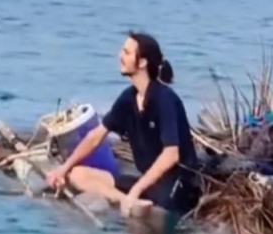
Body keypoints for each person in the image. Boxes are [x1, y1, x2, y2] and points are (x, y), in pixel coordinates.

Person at [46, 31, 199, 219]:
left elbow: (171, 155)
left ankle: (133, 201)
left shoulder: (165, 99)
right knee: (77, 174)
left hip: (176, 185)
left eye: (126, 52)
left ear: (142, 62)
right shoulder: (128, 98)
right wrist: (63, 169)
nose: (120, 56)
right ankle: (124, 200)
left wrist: (136, 189)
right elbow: (96, 137)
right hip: (147, 183)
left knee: (152, 221)